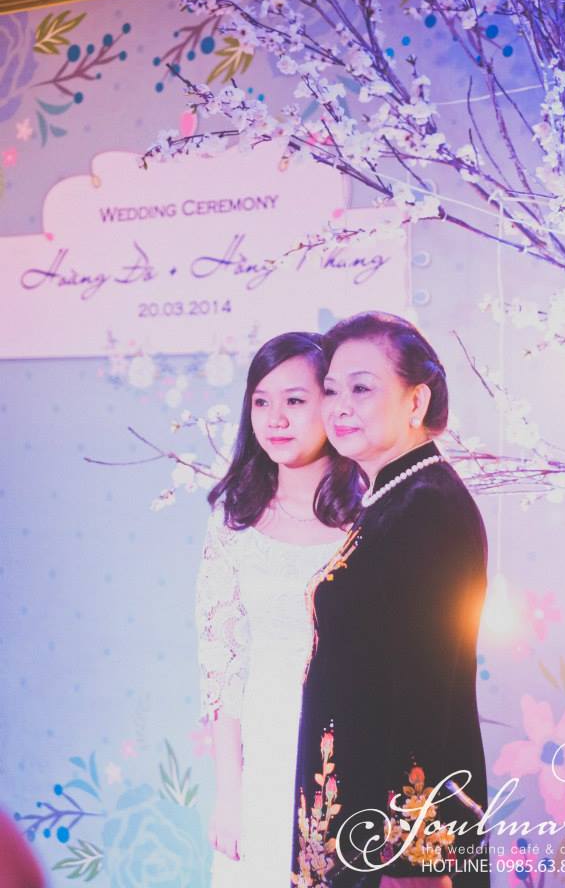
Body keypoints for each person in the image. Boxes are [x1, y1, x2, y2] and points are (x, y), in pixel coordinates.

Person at [292, 312, 490, 888]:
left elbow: (427, 685)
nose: (339, 407)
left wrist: (414, 860)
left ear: (416, 401)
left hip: (392, 845)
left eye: (361, 388)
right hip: (358, 813)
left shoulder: (428, 509)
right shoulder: (394, 500)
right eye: (331, 390)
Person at [195, 331, 362, 888]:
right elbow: (221, 666)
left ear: (332, 402)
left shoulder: (372, 516)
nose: (276, 418)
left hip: (352, 748)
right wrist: (230, 794)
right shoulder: (234, 519)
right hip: (264, 754)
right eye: (261, 401)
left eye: (295, 399)